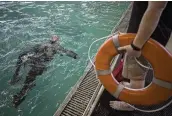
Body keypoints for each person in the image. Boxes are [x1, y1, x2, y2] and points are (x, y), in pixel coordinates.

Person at [110, 1, 172, 111]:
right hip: (155, 32)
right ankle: (134, 88)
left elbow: (155, 10)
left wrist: (136, 46)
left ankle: (131, 103)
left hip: (144, 38)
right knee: (140, 69)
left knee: (136, 74)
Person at [9, 35, 79, 108]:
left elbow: (28, 52)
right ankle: (19, 99)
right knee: (29, 82)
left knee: (23, 62)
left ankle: (16, 76)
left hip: (33, 60)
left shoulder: (43, 44)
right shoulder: (57, 47)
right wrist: (76, 56)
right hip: (39, 66)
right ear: (58, 41)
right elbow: (67, 52)